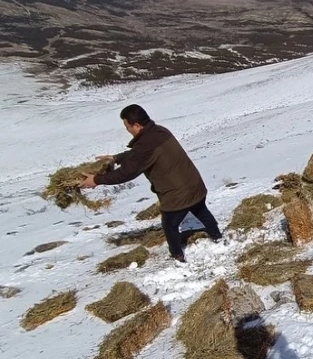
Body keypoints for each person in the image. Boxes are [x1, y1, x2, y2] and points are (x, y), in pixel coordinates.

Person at [80, 104, 222, 263]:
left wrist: (96, 180)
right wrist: (116, 158)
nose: (127, 129)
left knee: (169, 224)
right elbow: (138, 154)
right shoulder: (158, 131)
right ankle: (217, 236)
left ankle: (177, 257)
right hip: (194, 184)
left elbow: (127, 172)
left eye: (127, 126)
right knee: (200, 209)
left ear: (137, 125)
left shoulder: (146, 144)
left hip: (178, 193)